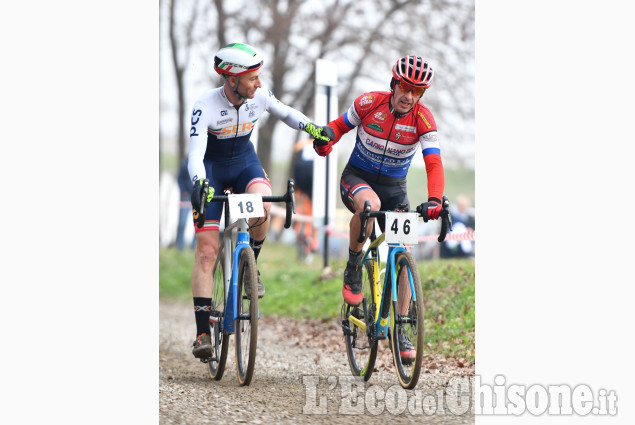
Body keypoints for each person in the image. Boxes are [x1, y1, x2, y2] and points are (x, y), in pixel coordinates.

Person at [187, 42, 332, 360]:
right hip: (210, 170)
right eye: (253, 77)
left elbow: (289, 115)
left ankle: (250, 265)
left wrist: (314, 130)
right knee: (208, 251)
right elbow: (196, 154)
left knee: (263, 206)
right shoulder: (206, 105)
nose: (259, 83)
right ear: (232, 78)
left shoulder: (260, 97)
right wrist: (199, 184)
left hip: (244, 165)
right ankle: (201, 332)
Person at [314, 55, 445, 360]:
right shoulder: (369, 102)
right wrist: (326, 140)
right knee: (369, 205)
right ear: (393, 83)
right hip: (358, 178)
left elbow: (433, 162)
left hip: (394, 189)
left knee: (404, 251)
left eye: (417, 91)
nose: (408, 96)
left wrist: (436, 199)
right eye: (404, 87)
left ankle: (400, 328)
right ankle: (352, 266)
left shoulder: (424, 119)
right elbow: (338, 126)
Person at [176, 158, 196, 251]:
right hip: (186, 197)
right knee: (182, 222)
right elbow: (179, 179)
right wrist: (183, 191)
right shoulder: (185, 164)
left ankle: (194, 246)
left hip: (196, 195)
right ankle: (180, 246)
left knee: (197, 223)